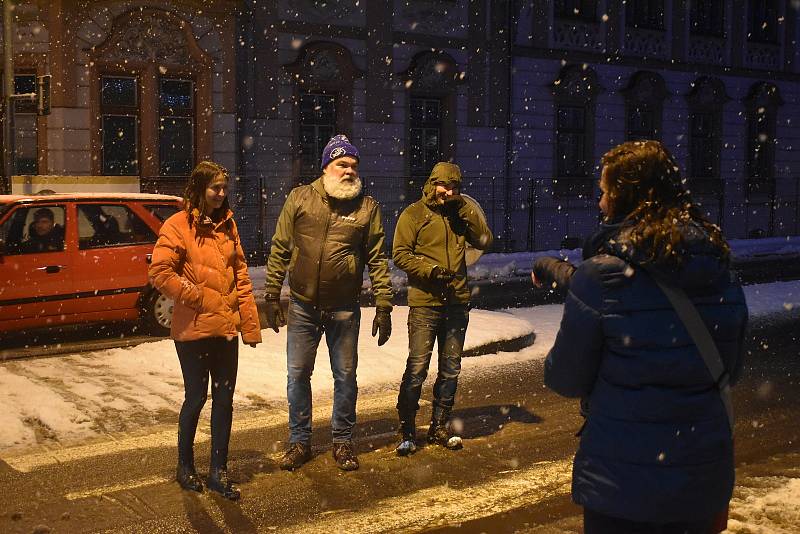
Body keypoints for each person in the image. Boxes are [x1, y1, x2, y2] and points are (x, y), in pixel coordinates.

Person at [543, 141, 748, 533]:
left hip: (623, 486)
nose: (600, 202)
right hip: (702, 478)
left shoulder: (601, 276)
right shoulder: (719, 264)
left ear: (624, 196)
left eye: (604, 192)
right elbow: (730, 370)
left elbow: (564, 379)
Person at [263, 134, 394, 472]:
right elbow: (281, 246)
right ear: (326, 167)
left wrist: (384, 304)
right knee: (297, 375)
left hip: (344, 308)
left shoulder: (367, 208)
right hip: (304, 306)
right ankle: (299, 442)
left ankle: (342, 442)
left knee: (345, 376)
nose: (349, 170)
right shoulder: (300, 199)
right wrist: (271, 293)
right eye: (342, 164)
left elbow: (378, 259)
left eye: (353, 165)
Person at [149, 161, 261, 500]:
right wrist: (194, 295)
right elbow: (160, 272)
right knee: (196, 398)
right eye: (215, 188)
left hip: (225, 329)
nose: (222, 193)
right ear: (200, 188)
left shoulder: (228, 225)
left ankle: (218, 471)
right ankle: (185, 467)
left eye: (225, 187)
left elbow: (240, 275)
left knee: (224, 400)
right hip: (194, 331)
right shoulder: (178, 225)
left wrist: (250, 326)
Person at [392, 161, 493, 456]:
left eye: (454, 187)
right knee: (417, 368)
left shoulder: (460, 215)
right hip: (425, 303)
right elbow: (399, 253)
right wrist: (430, 270)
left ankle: (439, 425)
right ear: (432, 183)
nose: (447, 191)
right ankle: (408, 430)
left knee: (450, 369)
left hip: (457, 303)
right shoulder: (413, 215)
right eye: (443, 185)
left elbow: (484, 239)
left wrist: (464, 208)